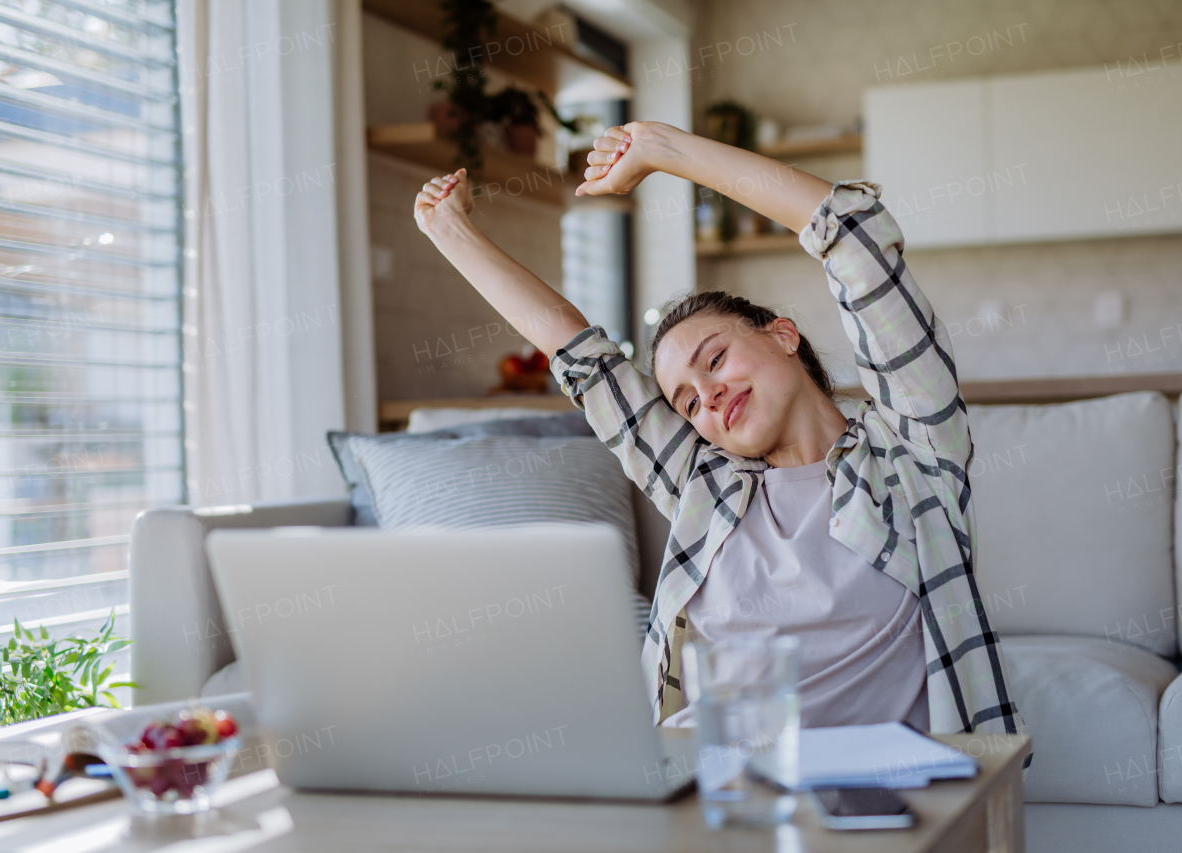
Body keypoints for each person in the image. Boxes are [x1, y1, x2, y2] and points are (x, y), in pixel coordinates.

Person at [412, 120, 1025, 737]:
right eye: (685, 403)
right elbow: (577, 355)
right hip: (707, 789)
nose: (706, 396)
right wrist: (450, 230)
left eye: (715, 359)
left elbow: (855, 238)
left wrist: (662, 150)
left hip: (869, 803)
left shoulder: (912, 455)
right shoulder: (703, 482)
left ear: (783, 335)